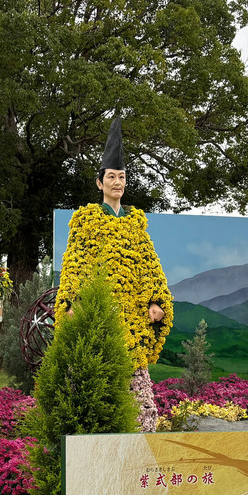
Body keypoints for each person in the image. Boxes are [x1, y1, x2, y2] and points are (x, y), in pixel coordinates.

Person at [54, 117, 174, 430]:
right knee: (95, 386)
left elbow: (150, 266)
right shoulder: (86, 221)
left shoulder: (136, 224)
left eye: (122, 177)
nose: (117, 182)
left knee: (140, 406)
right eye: (111, 177)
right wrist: (71, 302)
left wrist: (156, 299)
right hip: (99, 316)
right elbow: (75, 264)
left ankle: (140, 446)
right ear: (100, 183)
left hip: (132, 321)